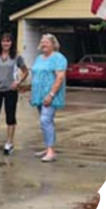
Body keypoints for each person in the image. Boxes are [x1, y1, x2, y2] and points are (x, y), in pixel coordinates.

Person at [30, 33, 68, 163]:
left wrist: (51, 94)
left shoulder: (58, 58)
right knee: (45, 121)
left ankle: (51, 151)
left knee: (45, 120)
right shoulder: (39, 58)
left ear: (53, 44)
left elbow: (60, 77)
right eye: (42, 41)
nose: (43, 44)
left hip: (51, 95)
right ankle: (47, 147)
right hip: (38, 95)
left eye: (46, 42)